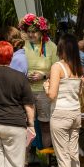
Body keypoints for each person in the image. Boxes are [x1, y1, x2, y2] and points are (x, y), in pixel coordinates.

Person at [46, 34, 84, 167]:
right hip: (75, 113)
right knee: (73, 153)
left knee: (62, 155)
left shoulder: (57, 67)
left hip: (60, 113)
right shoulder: (78, 67)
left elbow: (52, 95)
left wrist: (47, 88)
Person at [20, 14, 58, 150]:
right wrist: (24, 76)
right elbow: (16, 66)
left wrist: (43, 75)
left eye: (34, 31)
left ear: (42, 32)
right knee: (27, 125)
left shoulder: (51, 46)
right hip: (26, 90)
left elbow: (57, 69)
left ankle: (48, 159)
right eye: (28, 31)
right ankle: (25, 161)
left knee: (45, 125)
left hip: (44, 91)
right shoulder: (22, 46)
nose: (30, 34)